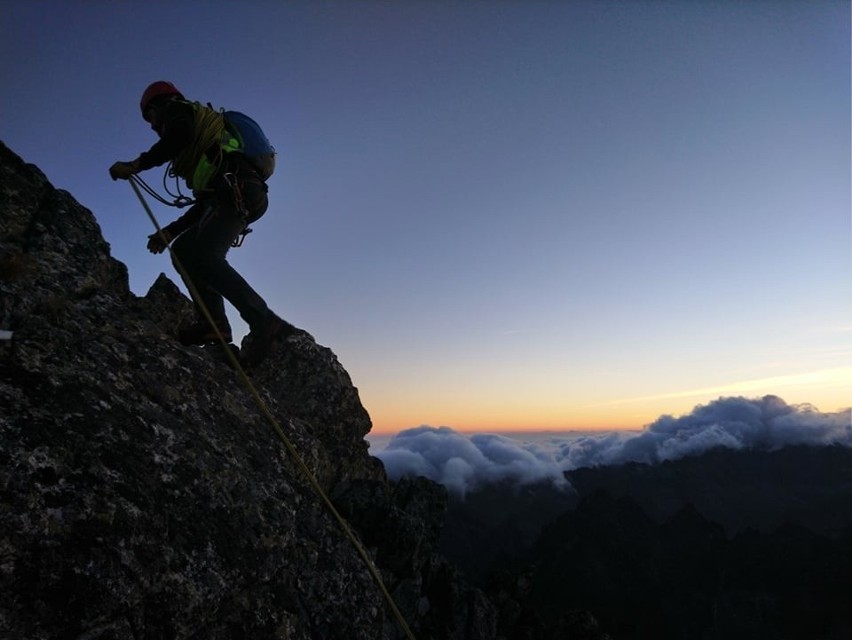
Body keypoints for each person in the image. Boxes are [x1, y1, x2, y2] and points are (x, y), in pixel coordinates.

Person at [109, 81, 293, 365]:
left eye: (150, 117)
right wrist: (169, 232)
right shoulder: (210, 156)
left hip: (237, 189)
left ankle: (263, 321)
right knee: (185, 252)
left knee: (206, 256)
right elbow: (207, 202)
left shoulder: (178, 111)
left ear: (159, 105)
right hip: (239, 193)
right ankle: (215, 326)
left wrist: (138, 164)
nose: (151, 125)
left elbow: (179, 135)